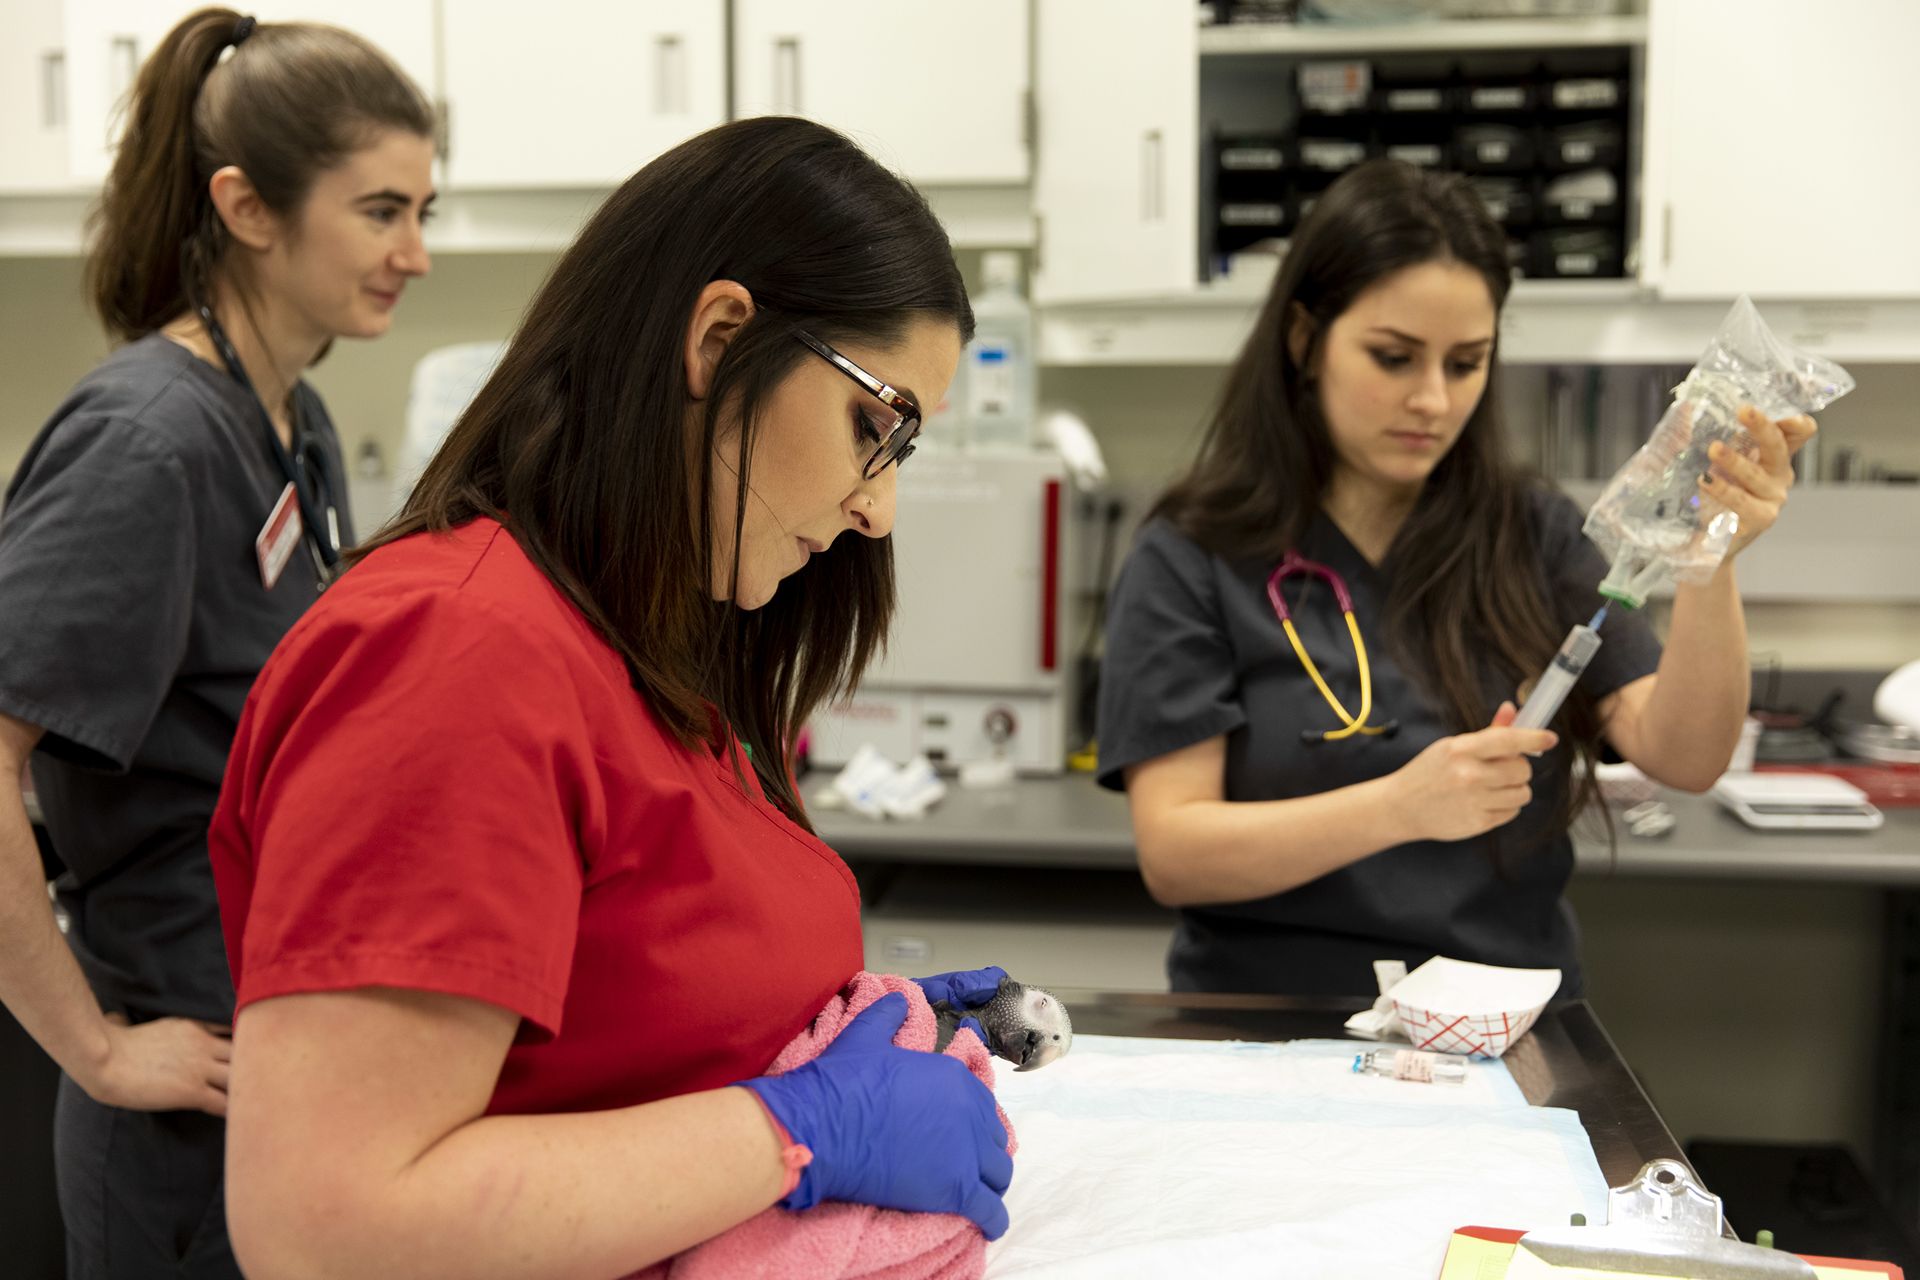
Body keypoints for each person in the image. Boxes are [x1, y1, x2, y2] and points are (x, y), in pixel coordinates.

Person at [208, 116, 1014, 1277]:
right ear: (721, 336)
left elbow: (628, 1009)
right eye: (872, 427)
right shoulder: (456, 652)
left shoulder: (658, 647)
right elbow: (325, 1226)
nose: (875, 511)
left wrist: (824, 1033)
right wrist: (804, 1125)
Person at [1098, 159, 1814, 998]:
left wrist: (1710, 558)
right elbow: (1177, 856)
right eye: (1394, 358)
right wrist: (1400, 807)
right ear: (1304, 340)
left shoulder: (1533, 535)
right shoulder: (1193, 555)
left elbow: (1685, 755)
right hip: (1269, 1026)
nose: (1433, 400)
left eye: (1466, 363)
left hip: (1499, 1035)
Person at [0, 9, 433, 1275]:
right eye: (381, 211)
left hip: (279, 1083)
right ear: (247, 207)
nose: (414, 250)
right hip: (180, 1112)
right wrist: (95, 1047)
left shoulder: (287, 421)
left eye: (426, 210)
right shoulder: (147, 440)